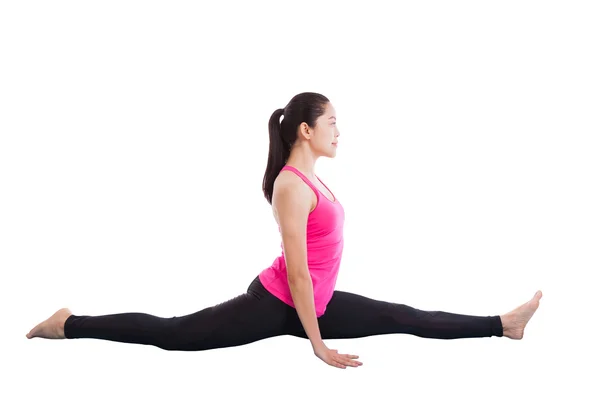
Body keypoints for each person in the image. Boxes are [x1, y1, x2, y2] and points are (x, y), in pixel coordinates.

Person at [26, 92, 543, 369]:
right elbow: (298, 274)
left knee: (404, 315)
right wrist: (317, 344)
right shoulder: (292, 186)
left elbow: (319, 263)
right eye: (332, 121)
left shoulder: (315, 180)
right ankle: (68, 324)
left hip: (314, 302)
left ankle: (503, 324)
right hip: (279, 304)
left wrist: (317, 319)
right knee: (174, 334)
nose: (339, 130)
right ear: (306, 129)